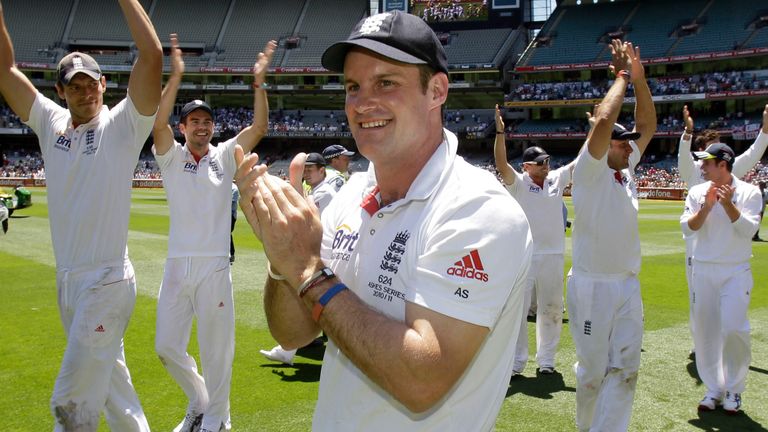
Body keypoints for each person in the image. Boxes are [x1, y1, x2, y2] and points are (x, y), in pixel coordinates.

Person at [236, 10, 531, 430]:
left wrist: (308, 271)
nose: (362, 103)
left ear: (437, 91)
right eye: (353, 86)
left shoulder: (480, 209)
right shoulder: (352, 194)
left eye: (386, 83)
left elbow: (422, 378)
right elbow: (292, 335)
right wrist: (282, 259)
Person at [0, 1, 161, 430]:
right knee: (114, 391)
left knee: (72, 402)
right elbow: (4, 70)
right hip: (69, 282)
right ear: (61, 92)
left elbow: (152, 58)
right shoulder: (50, 123)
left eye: (92, 84)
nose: (85, 92)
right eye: (75, 86)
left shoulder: (123, 126)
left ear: (105, 84)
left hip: (106, 280)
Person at [152, 34, 274, 432]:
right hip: (176, 265)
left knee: (216, 351)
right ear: (182, 127)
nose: (202, 127)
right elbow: (156, 123)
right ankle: (200, 401)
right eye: (195, 121)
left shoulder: (224, 155)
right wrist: (176, 76)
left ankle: (217, 420)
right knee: (167, 347)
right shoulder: (171, 158)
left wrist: (258, 83)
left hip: (215, 266)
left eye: (207, 121)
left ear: (213, 127)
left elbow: (259, 126)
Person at [567, 39, 656, 432]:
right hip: (591, 287)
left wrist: (639, 80)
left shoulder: (625, 168)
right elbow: (603, 122)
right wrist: (620, 76)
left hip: (626, 286)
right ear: (610, 147)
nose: (631, 147)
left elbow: (649, 126)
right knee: (592, 373)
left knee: (626, 370)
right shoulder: (590, 169)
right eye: (624, 143)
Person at [677, 104, 768, 356]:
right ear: (702, 151)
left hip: (725, 249)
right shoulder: (693, 172)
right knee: (698, 298)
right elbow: (683, 158)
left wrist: (765, 132)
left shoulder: (727, 171)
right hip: (696, 245)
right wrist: (687, 132)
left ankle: (719, 344)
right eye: (714, 145)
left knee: (726, 301)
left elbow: (751, 155)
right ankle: (701, 344)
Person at [494, 104, 574, 376]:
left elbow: (582, 160)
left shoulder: (556, 180)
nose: (546, 166)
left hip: (553, 255)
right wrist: (500, 133)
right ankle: (517, 362)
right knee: (519, 312)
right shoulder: (518, 183)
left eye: (548, 161)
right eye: (541, 163)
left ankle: (547, 361)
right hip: (526, 256)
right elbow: (501, 165)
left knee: (551, 309)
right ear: (527, 166)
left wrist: (599, 125)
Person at [681, 143, 761, 414]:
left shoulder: (749, 192)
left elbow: (749, 231)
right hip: (703, 269)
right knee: (705, 331)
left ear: (723, 164)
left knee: (734, 329)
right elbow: (687, 228)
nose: (701, 167)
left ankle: (734, 391)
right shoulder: (696, 192)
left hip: (735, 270)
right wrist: (706, 208)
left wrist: (728, 206)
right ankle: (714, 388)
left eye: (707, 163)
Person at [259, 152, 338, 366]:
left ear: (323, 170)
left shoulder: (324, 193)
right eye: (305, 171)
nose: (307, 175)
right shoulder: (317, 191)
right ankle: (289, 350)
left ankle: (290, 350)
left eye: (310, 170)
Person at [230, 182, 239, 264]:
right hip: (223, 214)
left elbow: (230, 203)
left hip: (230, 216)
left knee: (226, 234)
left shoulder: (234, 188)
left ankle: (231, 254)